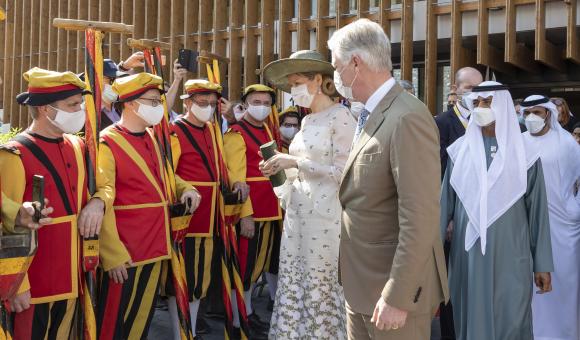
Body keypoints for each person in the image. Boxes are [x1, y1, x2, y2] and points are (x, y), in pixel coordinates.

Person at [328, 19, 448, 339]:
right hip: (363, 286)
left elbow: (420, 215)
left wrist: (397, 294)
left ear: (356, 63)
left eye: (337, 66)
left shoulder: (407, 116)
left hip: (391, 295)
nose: (335, 75)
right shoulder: (372, 111)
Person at [441, 82, 554, 340]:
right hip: (467, 258)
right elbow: (443, 208)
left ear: (502, 106)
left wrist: (543, 265)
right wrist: (431, 259)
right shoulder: (460, 152)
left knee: (512, 319)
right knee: (470, 320)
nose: (481, 108)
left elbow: (537, 213)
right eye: (477, 102)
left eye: (488, 102)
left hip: (511, 256)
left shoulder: (525, 154)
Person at [0, 67, 105, 339]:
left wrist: (97, 202)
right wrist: (18, 284)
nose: (80, 110)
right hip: (34, 284)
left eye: (80, 103)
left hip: (75, 275)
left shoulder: (79, 146)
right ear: (47, 109)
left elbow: (104, 186)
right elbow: (5, 226)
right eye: (73, 105)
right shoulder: (14, 154)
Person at [95, 72, 200, 340]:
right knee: (115, 322)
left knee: (142, 320)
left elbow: (165, 175)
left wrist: (185, 188)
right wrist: (112, 252)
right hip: (126, 250)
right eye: (153, 101)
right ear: (130, 103)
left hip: (157, 243)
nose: (159, 107)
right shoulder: (106, 141)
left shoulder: (154, 137)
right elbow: (102, 198)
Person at [260, 49, 356, 339]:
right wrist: (279, 167)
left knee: (321, 286)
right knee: (296, 282)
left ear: (318, 80)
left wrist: (295, 161)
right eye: (291, 85)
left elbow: (345, 174)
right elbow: (302, 171)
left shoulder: (341, 117)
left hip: (326, 221)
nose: (293, 90)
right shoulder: (306, 121)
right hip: (298, 218)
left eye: (298, 82)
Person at [167, 79, 231, 340]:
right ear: (187, 103)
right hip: (188, 218)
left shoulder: (213, 129)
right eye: (202, 103)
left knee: (201, 280)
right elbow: (169, 173)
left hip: (212, 216)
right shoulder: (174, 130)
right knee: (184, 280)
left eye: (211, 104)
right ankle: (182, 332)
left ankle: (190, 328)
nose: (207, 108)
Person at [223, 84, 282, 339]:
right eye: (257, 101)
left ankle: (246, 312)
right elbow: (237, 179)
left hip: (271, 210)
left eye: (267, 102)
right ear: (245, 104)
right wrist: (245, 214)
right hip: (252, 212)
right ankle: (239, 320)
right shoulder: (236, 134)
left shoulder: (268, 128)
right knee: (245, 267)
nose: (262, 106)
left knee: (259, 266)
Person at [521, 95, 580, 340]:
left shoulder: (566, 142)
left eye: (538, 112)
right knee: (530, 289)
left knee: (563, 285)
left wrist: (574, 209)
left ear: (548, 113)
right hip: (526, 226)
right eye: (527, 113)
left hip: (563, 226)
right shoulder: (517, 142)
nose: (532, 117)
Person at [434, 66, 483, 340]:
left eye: (479, 88)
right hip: (453, 219)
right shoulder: (442, 123)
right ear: (456, 88)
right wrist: (447, 216)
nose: (474, 94)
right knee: (451, 284)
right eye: (469, 88)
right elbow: (438, 172)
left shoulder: (488, 122)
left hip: (480, 216)